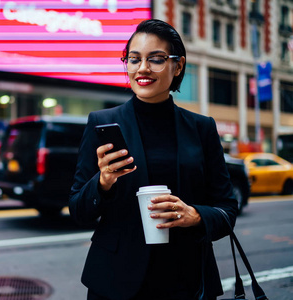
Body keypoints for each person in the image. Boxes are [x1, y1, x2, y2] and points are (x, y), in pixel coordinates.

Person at [69, 19, 238, 300]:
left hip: (186, 281)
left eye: (156, 59)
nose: (142, 68)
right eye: (133, 59)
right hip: (115, 281)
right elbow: (78, 209)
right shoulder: (102, 123)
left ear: (178, 66)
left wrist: (194, 216)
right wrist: (103, 181)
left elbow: (227, 208)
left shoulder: (202, 128)